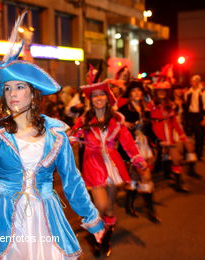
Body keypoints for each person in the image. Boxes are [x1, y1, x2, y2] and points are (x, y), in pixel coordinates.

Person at [0, 12, 104, 259]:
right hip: (5, 219)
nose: (12, 94)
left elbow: (72, 179)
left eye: (19, 87)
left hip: (47, 219)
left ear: (33, 93)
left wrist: (91, 217)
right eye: (7, 88)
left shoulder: (56, 133)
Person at [71, 81, 148, 255]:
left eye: (102, 94)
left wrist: (137, 159)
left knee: (110, 207)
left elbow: (127, 142)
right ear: (91, 99)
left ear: (108, 97)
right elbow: (73, 136)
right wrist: (69, 138)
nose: (98, 98)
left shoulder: (117, 119)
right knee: (102, 204)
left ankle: (105, 238)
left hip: (113, 163)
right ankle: (95, 235)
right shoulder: (84, 119)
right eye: (95, 95)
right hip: (93, 162)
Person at [118, 80, 160, 223]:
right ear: (129, 94)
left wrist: (156, 140)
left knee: (135, 177)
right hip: (131, 148)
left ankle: (129, 205)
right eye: (133, 91)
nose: (136, 93)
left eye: (139, 91)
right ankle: (151, 210)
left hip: (145, 146)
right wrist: (123, 125)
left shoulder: (145, 109)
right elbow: (115, 127)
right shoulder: (123, 110)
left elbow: (149, 128)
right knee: (146, 176)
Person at [149, 81, 189, 192]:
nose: (162, 93)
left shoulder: (170, 105)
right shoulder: (151, 105)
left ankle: (178, 183)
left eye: (164, 91)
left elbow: (174, 122)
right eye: (159, 91)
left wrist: (182, 135)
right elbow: (148, 122)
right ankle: (147, 183)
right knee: (153, 159)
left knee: (176, 159)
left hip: (169, 135)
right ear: (156, 92)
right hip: (157, 134)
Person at [183, 75, 205, 161]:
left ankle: (199, 154)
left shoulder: (203, 92)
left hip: (199, 116)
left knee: (199, 136)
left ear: (198, 81)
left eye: (195, 81)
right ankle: (188, 154)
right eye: (192, 81)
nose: (193, 82)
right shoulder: (188, 92)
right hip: (190, 116)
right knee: (188, 135)